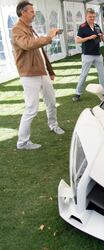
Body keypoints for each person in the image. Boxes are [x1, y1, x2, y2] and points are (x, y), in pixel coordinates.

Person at [12, 1, 64, 150]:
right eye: (31, 11)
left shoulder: (29, 28)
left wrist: (50, 71)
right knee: (31, 108)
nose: (34, 14)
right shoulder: (17, 29)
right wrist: (48, 37)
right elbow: (28, 44)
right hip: (29, 74)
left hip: (42, 73)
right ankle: (22, 142)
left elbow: (40, 52)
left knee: (51, 102)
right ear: (23, 12)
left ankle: (53, 125)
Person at [72, 8, 104, 102]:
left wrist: (102, 37)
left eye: (93, 17)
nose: (92, 18)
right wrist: (89, 37)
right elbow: (77, 40)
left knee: (102, 74)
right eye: (90, 17)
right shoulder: (82, 27)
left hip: (98, 54)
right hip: (87, 54)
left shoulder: (97, 26)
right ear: (86, 16)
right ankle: (77, 93)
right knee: (84, 74)